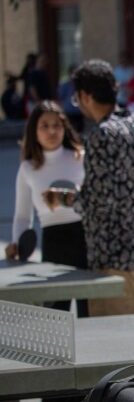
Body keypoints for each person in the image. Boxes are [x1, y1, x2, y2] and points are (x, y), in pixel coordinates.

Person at [65, 59, 134, 317]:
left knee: (115, 349)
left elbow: (98, 200)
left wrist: (68, 199)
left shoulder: (101, 135)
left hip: (115, 256)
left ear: (85, 96)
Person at [6, 101, 87, 315]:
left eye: (57, 125)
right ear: (34, 130)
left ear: (64, 127)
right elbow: (23, 216)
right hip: (53, 243)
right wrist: (17, 243)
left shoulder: (80, 157)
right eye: (44, 125)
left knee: (89, 311)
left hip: (86, 241)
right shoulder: (27, 168)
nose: (52, 130)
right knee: (55, 314)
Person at [56, 65, 84, 132]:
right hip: (68, 113)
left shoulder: (82, 86)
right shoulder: (64, 86)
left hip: (79, 113)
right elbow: (59, 99)